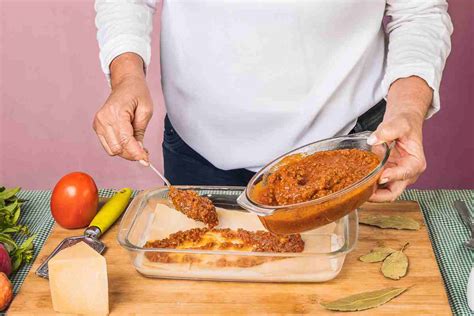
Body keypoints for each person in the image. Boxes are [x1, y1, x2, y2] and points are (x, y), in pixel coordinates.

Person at [93, 0, 452, 202]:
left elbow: (420, 12)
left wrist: (407, 108)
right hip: (198, 149)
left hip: (347, 147)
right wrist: (126, 78)